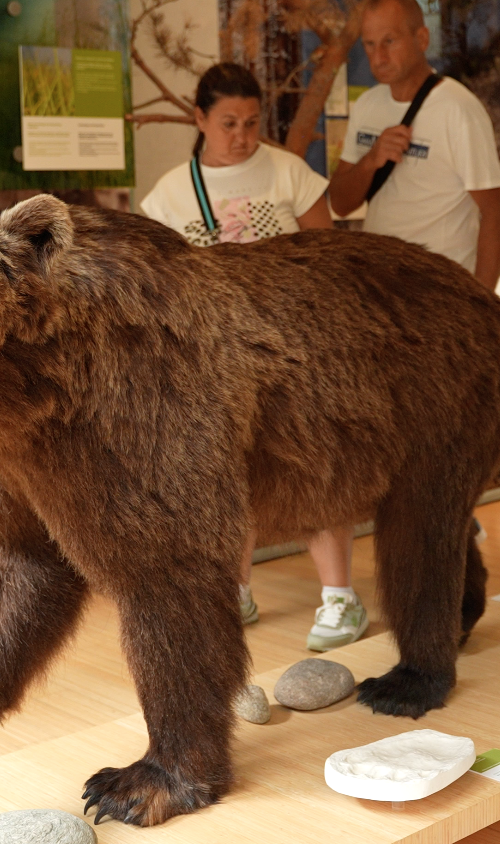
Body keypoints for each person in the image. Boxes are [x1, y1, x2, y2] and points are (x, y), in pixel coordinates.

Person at [140, 63, 370, 652]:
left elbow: (331, 262)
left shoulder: (289, 171)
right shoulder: (169, 193)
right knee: (230, 476)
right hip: (217, 359)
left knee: (316, 465)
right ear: (200, 120)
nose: (242, 136)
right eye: (227, 124)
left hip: (298, 351)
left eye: (250, 122)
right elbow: (157, 284)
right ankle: (236, 589)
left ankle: (340, 597)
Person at [328, 0, 500, 285]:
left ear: (422, 39)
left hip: (439, 294)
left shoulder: (458, 109)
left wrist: (482, 304)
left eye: (390, 41)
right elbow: (340, 204)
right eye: (370, 45)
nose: (379, 57)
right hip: (380, 290)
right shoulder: (367, 105)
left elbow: (496, 212)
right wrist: (371, 160)